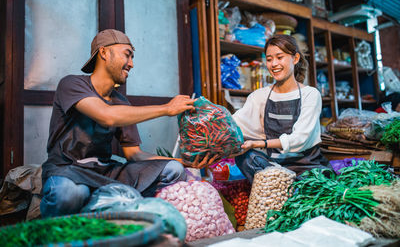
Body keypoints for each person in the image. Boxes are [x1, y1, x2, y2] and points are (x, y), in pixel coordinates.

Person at [40, 29, 214, 218]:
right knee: (71, 194)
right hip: (68, 170)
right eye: (127, 55)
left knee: (173, 170)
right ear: (104, 53)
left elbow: (135, 154)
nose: (131, 64)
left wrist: (184, 162)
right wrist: (167, 109)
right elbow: (107, 115)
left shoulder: (121, 102)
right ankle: (104, 207)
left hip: (105, 173)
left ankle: (102, 205)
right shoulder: (72, 84)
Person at [233, 35, 331, 183]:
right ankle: (279, 185)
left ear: (295, 58)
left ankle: (279, 187)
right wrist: (209, 117)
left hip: (307, 168)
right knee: (245, 158)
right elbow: (236, 123)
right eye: (269, 59)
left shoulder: (310, 94)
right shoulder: (259, 96)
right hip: (274, 166)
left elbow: (301, 138)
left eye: (280, 57)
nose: (274, 64)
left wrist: (261, 143)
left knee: (313, 182)